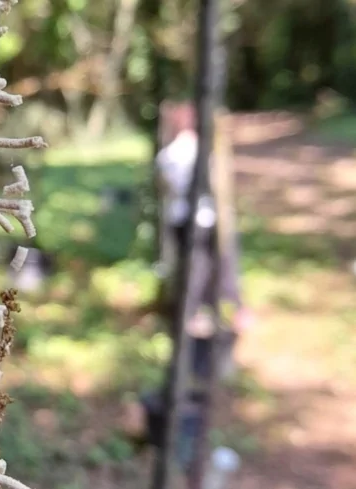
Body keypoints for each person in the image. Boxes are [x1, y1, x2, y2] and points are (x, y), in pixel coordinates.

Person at [120, 101, 255, 467]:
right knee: (201, 277)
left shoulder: (184, 150)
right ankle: (202, 318)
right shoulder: (185, 150)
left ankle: (208, 317)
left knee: (206, 276)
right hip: (194, 223)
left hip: (198, 224)